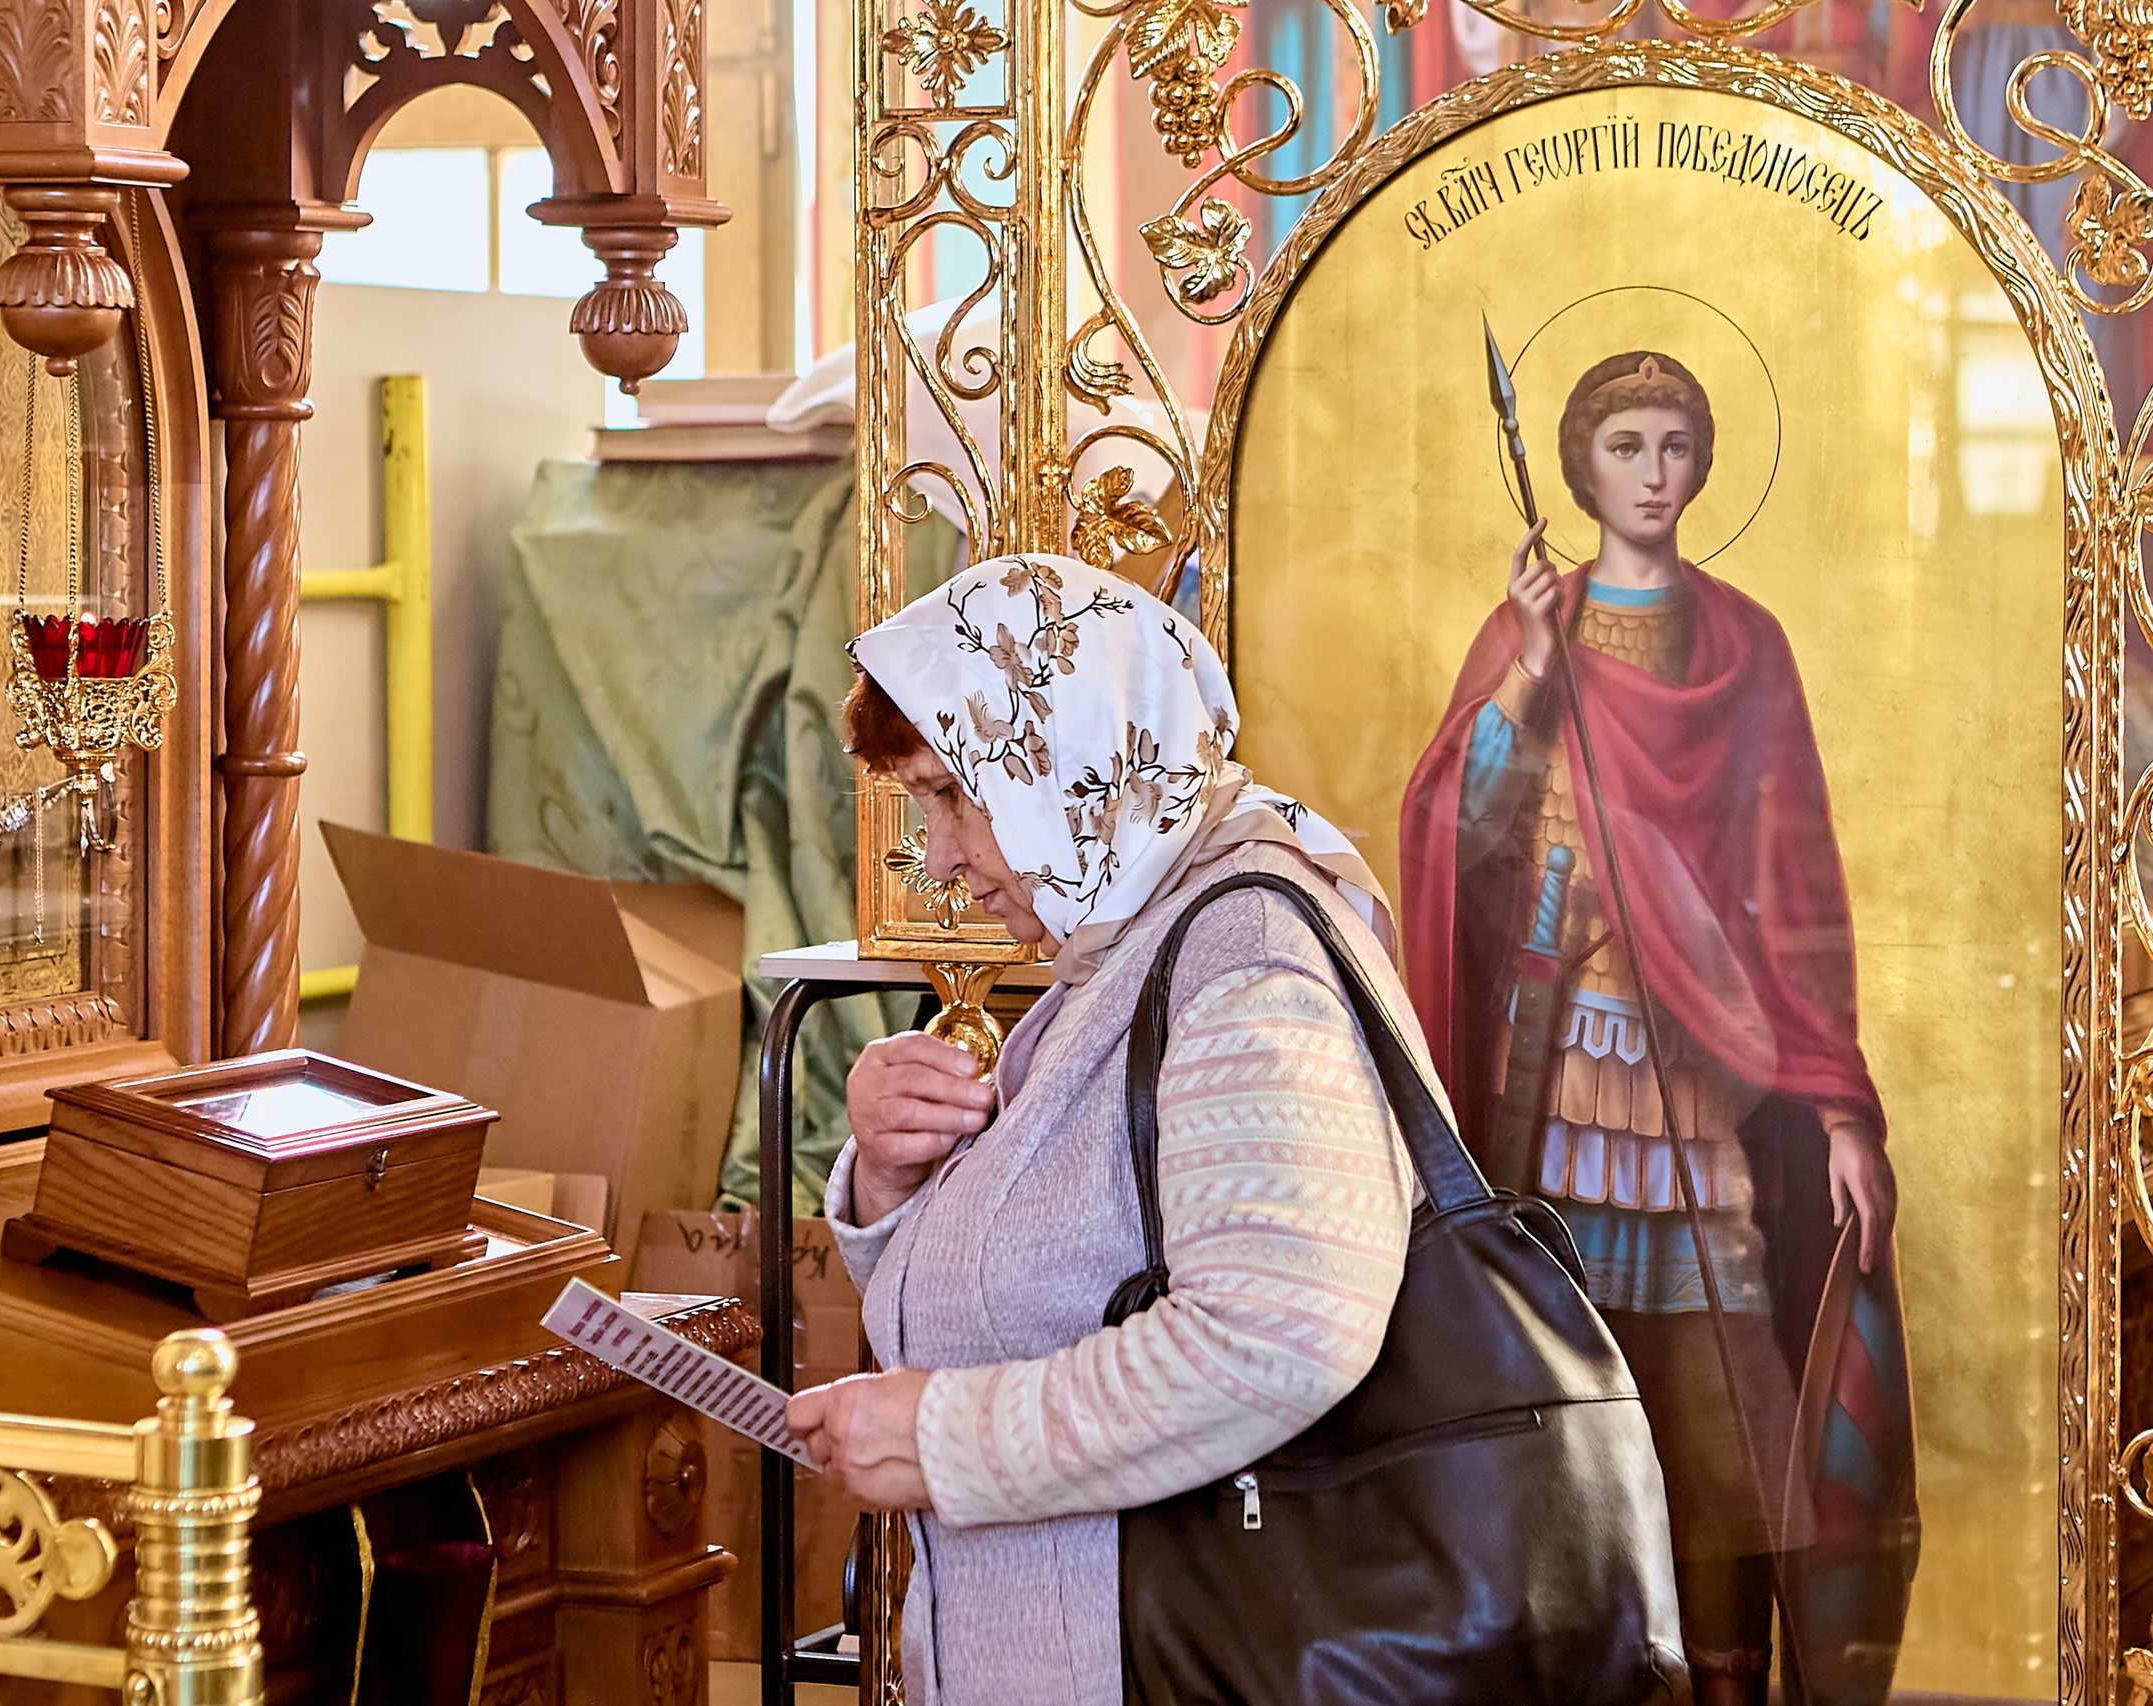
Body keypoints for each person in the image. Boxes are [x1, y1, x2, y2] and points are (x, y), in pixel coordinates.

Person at [786, 552, 1427, 1704]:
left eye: (950, 795)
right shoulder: (1128, 945)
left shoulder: (1245, 961)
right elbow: (1025, 1283)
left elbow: (1277, 1334)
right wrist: (890, 1174)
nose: (940, 859)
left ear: (1063, 750)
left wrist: (946, 1440)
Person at [1396, 349, 1901, 1705]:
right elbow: (1456, 834)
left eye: (1675, 444)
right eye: (1626, 445)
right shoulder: (1534, 628)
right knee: (1560, 1383)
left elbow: (1799, 882)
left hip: (1709, 1063)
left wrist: (1839, 1105)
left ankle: (1724, 1680)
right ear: (1579, 464)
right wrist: (1529, 677)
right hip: (1557, 1068)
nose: (1654, 473)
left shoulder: (1745, 645)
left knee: (1719, 1399)